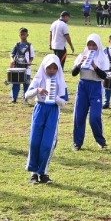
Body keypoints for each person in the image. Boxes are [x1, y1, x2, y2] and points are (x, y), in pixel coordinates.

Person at [26, 54, 68, 183]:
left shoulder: (60, 81)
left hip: (53, 111)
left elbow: (64, 102)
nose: (52, 71)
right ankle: (34, 172)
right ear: (44, 67)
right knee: (35, 141)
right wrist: (37, 90)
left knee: (47, 143)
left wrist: (54, 97)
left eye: (54, 68)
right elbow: (27, 95)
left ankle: (43, 172)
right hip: (40, 109)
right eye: (49, 68)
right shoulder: (39, 79)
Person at [71, 33, 111, 150]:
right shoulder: (82, 55)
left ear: (98, 45)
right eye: (89, 45)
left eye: (94, 45)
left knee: (94, 117)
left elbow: (104, 76)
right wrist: (79, 64)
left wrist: (95, 66)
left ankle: (101, 141)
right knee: (79, 116)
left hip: (95, 87)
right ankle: (77, 143)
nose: (92, 47)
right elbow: (73, 73)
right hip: (83, 86)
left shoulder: (103, 58)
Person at [8, 27, 35, 104]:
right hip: (17, 68)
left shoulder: (30, 46)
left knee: (26, 84)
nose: (23, 36)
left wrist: (30, 61)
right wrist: (12, 60)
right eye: (21, 34)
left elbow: (32, 56)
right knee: (16, 84)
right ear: (19, 35)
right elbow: (12, 54)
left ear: (27, 35)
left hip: (26, 68)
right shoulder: (17, 45)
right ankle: (14, 98)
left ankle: (26, 99)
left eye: (24, 34)